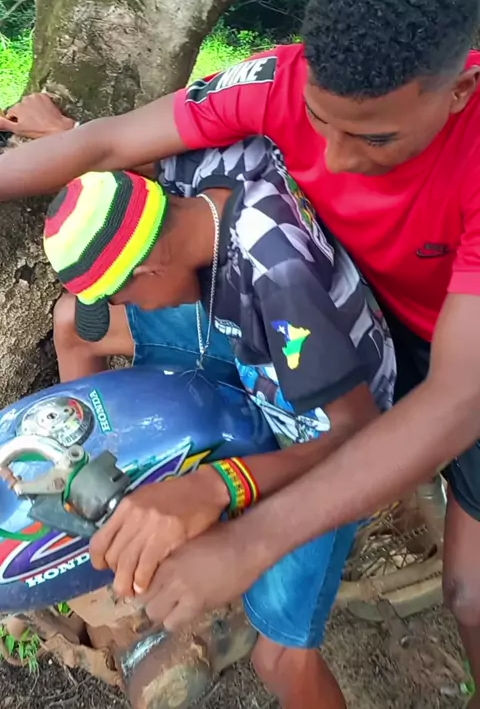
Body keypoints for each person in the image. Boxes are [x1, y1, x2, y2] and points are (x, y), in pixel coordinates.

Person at [1, 0, 480, 703]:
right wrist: (62, 145)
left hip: (451, 352)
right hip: (330, 309)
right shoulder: (276, 84)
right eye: (320, 121)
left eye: (376, 138)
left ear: (458, 91)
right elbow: (111, 144)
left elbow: (456, 399)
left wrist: (240, 522)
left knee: (470, 593)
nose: (336, 158)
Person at [42, 136, 395, 709]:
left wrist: (218, 484)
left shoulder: (279, 280)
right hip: (257, 347)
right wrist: (60, 131)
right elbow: (118, 156)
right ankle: (106, 510)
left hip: (323, 424)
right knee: (73, 325)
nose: (131, 308)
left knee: (278, 660)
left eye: (123, 296)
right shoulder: (196, 187)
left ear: (150, 267)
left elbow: (362, 439)